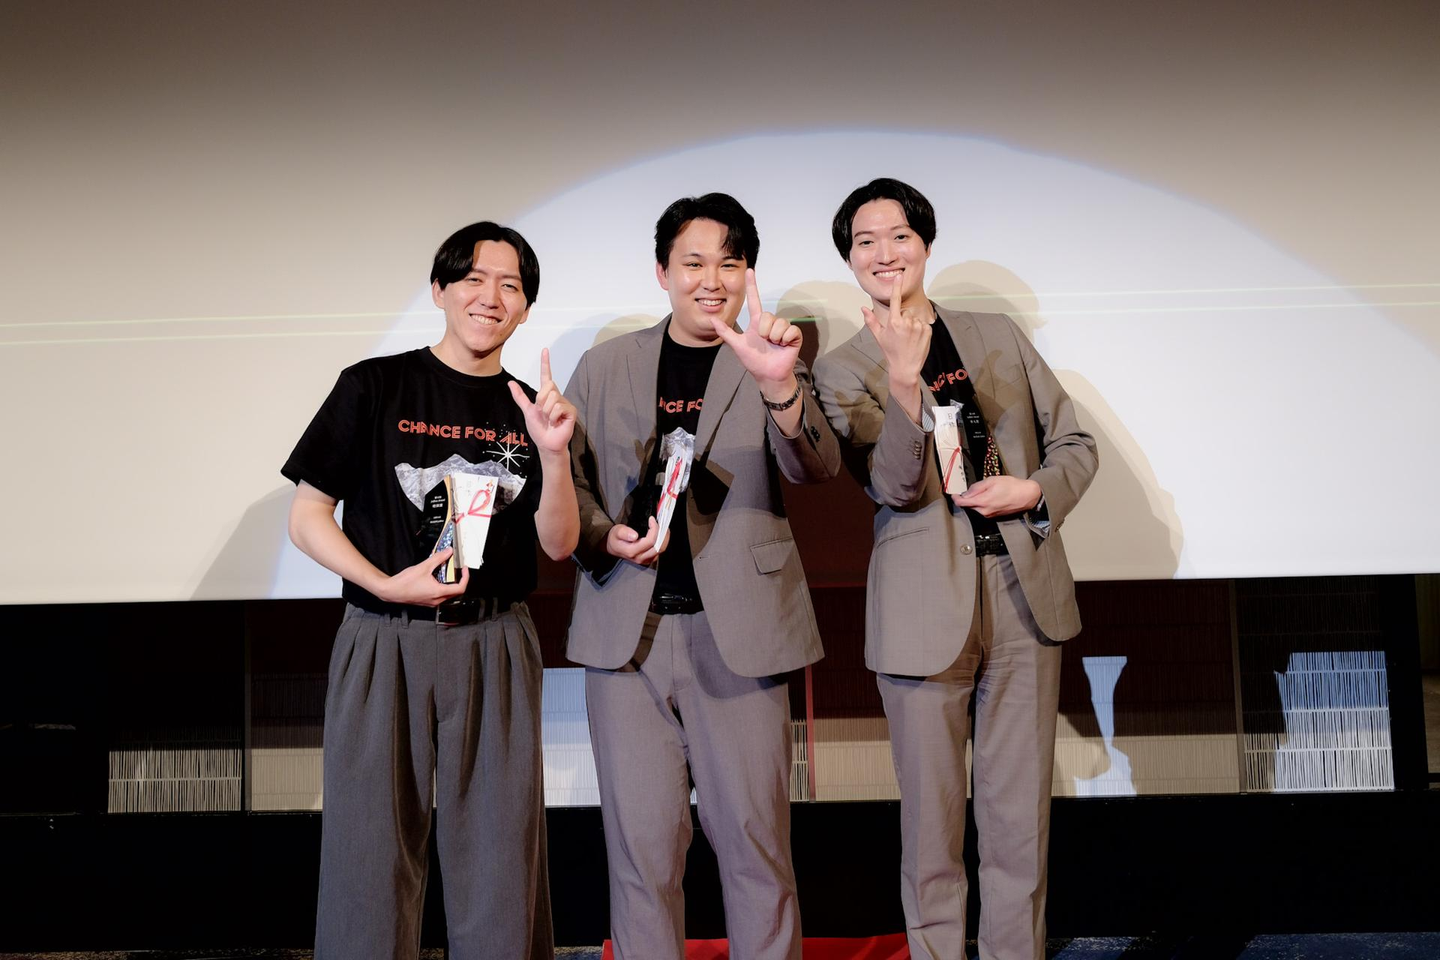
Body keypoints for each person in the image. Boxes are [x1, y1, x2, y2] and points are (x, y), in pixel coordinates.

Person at [812, 179, 1098, 960]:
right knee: (931, 824)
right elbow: (894, 485)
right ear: (850, 260)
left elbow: (1075, 444)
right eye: (865, 242)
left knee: (1018, 818)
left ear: (925, 244)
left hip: (1022, 595)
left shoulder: (995, 333)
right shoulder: (841, 371)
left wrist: (1032, 489)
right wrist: (904, 379)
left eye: (899, 236)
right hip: (922, 608)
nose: (885, 253)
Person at [282, 221, 577, 960]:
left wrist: (554, 455)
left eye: (510, 285)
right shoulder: (373, 385)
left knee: (502, 858)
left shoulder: (532, 408)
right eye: (473, 279)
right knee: (369, 857)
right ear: (441, 289)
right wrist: (387, 584)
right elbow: (308, 517)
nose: (490, 297)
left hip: (495, 639)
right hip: (383, 638)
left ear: (526, 308)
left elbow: (559, 543)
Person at [563, 193, 839, 960]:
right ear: (663, 272)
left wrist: (781, 386)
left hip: (741, 634)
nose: (711, 279)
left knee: (757, 848)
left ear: (748, 273)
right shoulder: (606, 365)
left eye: (730, 262)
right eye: (693, 262)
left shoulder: (769, 356)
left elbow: (815, 466)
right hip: (629, 636)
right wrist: (602, 533)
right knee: (641, 856)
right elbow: (568, 482)